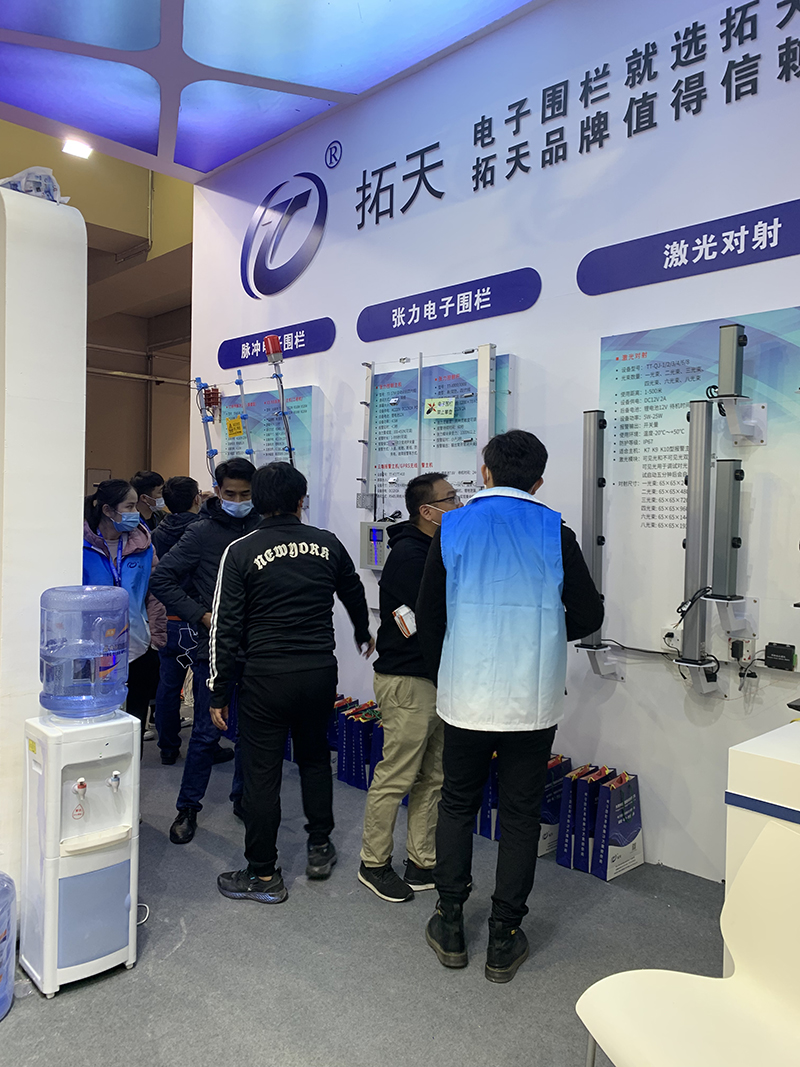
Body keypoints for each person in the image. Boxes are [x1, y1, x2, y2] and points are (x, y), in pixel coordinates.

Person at [416, 429, 604, 984]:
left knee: (457, 803)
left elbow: (430, 616)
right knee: (521, 814)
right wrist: (541, 634)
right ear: (538, 481)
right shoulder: (556, 531)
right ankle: (503, 936)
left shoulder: (451, 526)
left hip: (465, 696)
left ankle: (451, 921)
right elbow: (589, 614)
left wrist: (449, 669)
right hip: (533, 699)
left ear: (486, 472)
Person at [209, 462, 373, 905]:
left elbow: (225, 626)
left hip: (266, 677)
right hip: (318, 671)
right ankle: (320, 846)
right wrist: (362, 631)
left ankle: (263, 874)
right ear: (301, 501)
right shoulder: (327, 543)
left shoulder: (241, 550)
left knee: (261, 773)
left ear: (257, 502)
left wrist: (218, 690)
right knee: (315, 758)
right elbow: (353, 590)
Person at [358, 472, 461, 903]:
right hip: (408, 682)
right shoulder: (410, 556)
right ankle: (373, 863)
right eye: (451, 498)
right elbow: (426, 619)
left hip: (437, 680)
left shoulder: (436, 550)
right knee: (396, 775)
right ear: (427, 511)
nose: (458, 504)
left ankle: (422, 861)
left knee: (433, 776)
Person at [149, 458, 260, 843]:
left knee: (249, 734)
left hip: (257, 648)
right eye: (230, 494)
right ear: (217, 490)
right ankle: (187, 808)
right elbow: (162, 578)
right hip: (212, 648)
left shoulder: (264, 528)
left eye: (245, 495)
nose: (238, 501)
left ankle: (242, 799)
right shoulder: (201, 531)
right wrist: (200, 614)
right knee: (204, 733)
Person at [83, 480, 167, 744]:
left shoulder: (143, 545)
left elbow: (154, 593)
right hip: (94, 650)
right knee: (99, 724)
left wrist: (157, 637)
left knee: (135, 723)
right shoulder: (81, 547)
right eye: (129, 507)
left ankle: (134, 767)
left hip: (138, 645)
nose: (135, 513)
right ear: (108, 510)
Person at [151, 476, 204, 765]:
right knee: (203, 685)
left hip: (165, 617)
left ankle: (168, 747)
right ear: (197, 498)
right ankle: (204, 747)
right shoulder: (202, 530)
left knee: (168, 685)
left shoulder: (157, 532)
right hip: (196, 617)